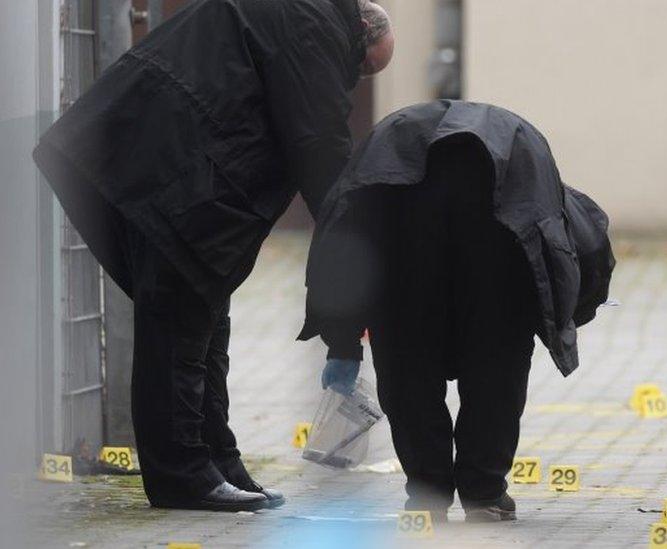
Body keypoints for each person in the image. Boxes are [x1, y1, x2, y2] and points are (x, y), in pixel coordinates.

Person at [33, 0, 394, 512]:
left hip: (169, 162)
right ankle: (182, 475)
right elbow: (319, 147)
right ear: (361, 29)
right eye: (363, 65)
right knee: (179, 322)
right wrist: (355, 243)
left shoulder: (302, 14)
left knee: (202, 319)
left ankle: (216, 461)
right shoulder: (314, 27)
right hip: (172, 171)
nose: (355, 78)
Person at [301, 101, 615, 522]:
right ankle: (483, 493)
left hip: (402, 244)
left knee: (407, 364)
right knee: (496, 365)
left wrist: (342, 340)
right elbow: (578, 244)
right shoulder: (520, 143)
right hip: (497, 244)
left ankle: (428, 496)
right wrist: (563, 315)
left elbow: (342, 234)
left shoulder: (390, 140)